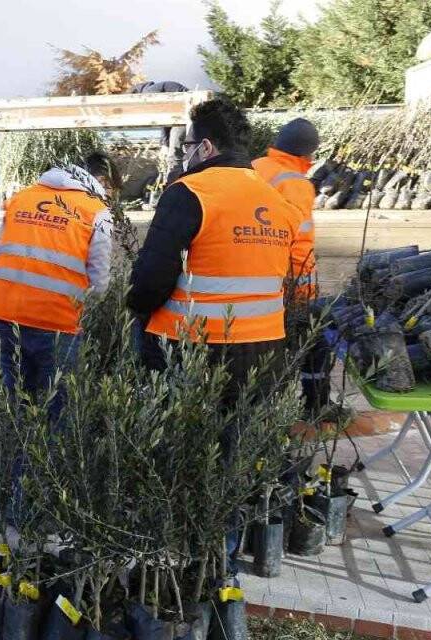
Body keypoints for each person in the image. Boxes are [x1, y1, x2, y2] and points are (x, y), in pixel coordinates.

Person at [127, 98, 304, 576]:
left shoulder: (191, 192)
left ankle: (176, 549)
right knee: (235, 452)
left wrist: (137, 312)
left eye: (187, 145)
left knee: (181, 448)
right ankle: (219, 555)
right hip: (264, 348)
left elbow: (151, 277)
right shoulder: (277, 201)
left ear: (204, 146)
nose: (185, 155)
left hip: (192, 347)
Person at [0, 152, 116, 412]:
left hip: (7, 315)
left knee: (15, 408)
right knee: (58, 412)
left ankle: (13, 454)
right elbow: (99, 281)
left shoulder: (21, 198)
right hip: (59, 323)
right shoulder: (95, 211)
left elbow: (0, 253)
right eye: (112, 190)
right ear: (102, 180)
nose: (111, 198)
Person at [252, 118, 331, 415]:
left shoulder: (255, 167)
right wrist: (304, 295)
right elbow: (299, 246)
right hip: (284, 282)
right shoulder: (295, 182)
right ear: (307, 156)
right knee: (315, 343)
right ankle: (317, 407)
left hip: (251, 277)